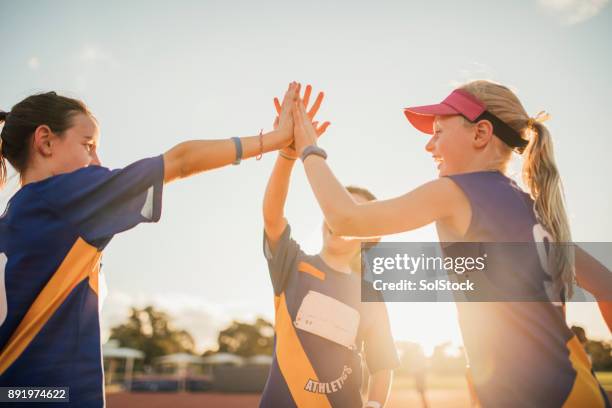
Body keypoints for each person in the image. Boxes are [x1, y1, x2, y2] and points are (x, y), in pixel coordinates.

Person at [291, 80, 611, 407]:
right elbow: (607, 288)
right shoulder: (534, 210)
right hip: (579, 388)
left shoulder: (456, 192)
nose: (429, 145)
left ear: (480, 134)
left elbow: (346, 220)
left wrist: (308, 148)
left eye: (439, 132)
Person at [0, 83, 298, 406]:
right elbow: (181, 160)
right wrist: (276, 140)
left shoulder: (13, 219)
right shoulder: (66, 197)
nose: (97, 162)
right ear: (45, 141)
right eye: (88, 145)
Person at [260, 85, 399, 408]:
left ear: (371, 236)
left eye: (353, 214)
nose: (341, 220)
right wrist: (287, 154)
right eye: (337, 210)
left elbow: (383, 366)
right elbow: (272, 216)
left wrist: (375, 405)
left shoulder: (371, 294)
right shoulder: (292, 262)